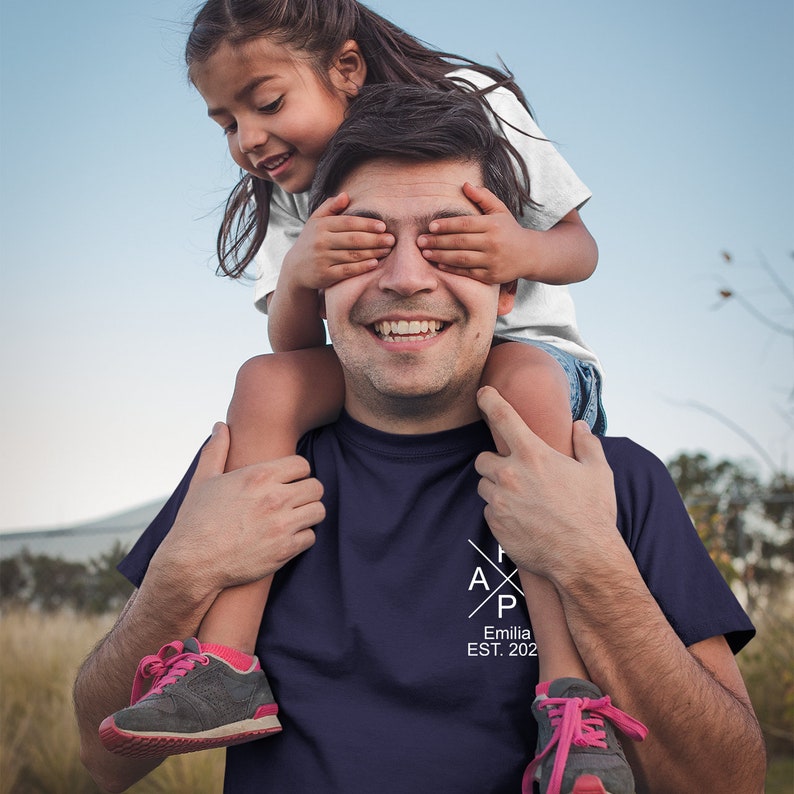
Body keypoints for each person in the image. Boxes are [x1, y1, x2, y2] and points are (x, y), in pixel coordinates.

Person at [75, 84, 765, 794]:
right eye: (363, 245)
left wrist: (591, 564)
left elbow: (732, 784)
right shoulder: (251, 471)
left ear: (506, 288)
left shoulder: (612, 484)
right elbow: (102, 762)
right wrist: (180, 574)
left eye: (450, 242)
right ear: (320, 282)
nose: (406, 278)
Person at [97, 0, 612, 782]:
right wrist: (303, 267)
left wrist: (521, 246)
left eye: (265, 103)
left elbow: (580, 246)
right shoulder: (298, 189)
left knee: (526, 378)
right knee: (263, 382)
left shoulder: (473, 102)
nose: (249, 139)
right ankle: (225, 669)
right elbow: (298, 348)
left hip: (525, 352)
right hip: (388, 362)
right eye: (225, 123)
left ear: (344, 67)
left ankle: (570, 700)